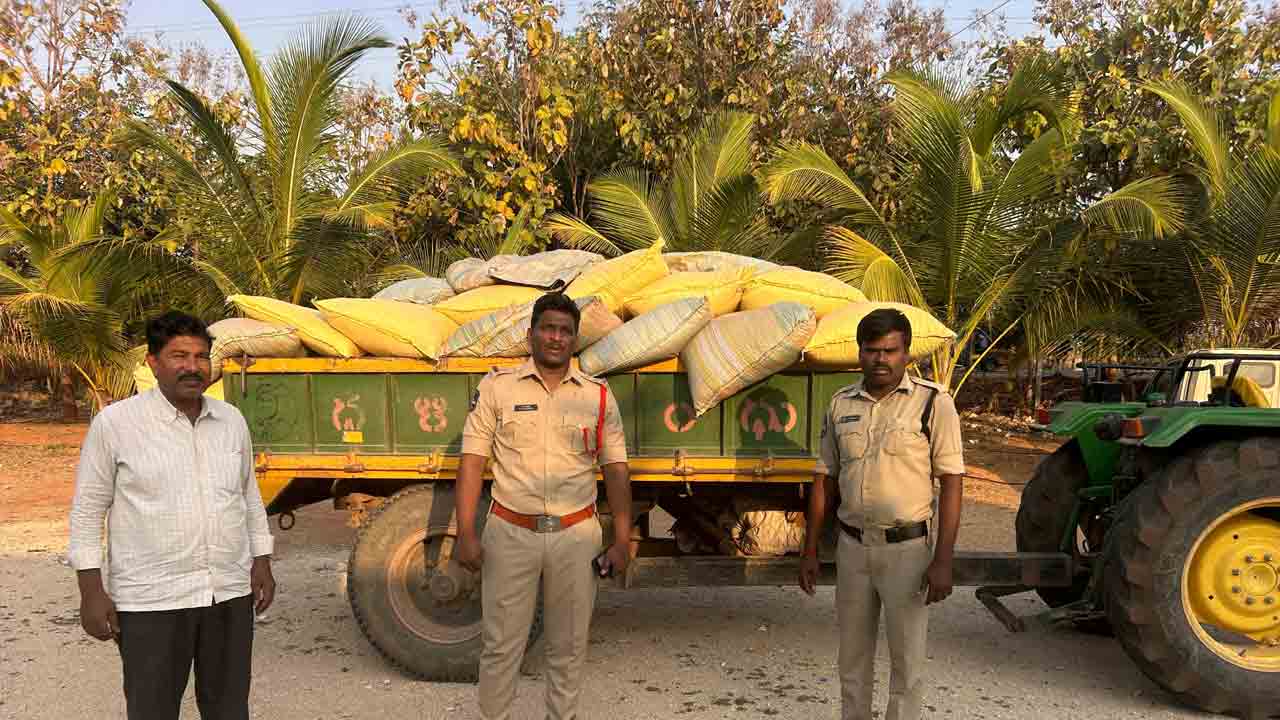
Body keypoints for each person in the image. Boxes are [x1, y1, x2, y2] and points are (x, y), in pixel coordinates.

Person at [68, 310, 275, 720]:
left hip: (227, 593)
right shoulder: (117, 425)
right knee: (152, 709)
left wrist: (262, 561)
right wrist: (91, 591)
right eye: (179, 356)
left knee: (229, 708)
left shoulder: (231, 421)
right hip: (151, 600)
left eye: (201, 356)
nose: (192, 367)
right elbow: (88, 511)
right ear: (152, 362)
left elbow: (247, 495)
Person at [455, 292, 633, 720]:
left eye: (565, 331)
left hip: (576, 536)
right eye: (548, 328)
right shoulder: (496, 387)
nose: (556, 337)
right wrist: (464, 532)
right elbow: (472, 462)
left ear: (575, 340)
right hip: (510, 533)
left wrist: (623, 539)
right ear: (530, 334)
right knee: (501, 649)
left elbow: (616, 469)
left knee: (568, 651)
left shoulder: (598, 397)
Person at [799, 307, 965, 720]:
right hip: (852, 548)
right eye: (872, 350)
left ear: (907, 353)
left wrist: (943, 559)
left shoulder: (933, 404)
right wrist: (810, 549)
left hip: (907, 550)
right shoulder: (840, 404)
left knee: (907, 664)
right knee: (852, 661)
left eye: (891, 350)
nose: (881, 360)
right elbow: (825, 479)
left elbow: (953, 482)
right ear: (859, 353)